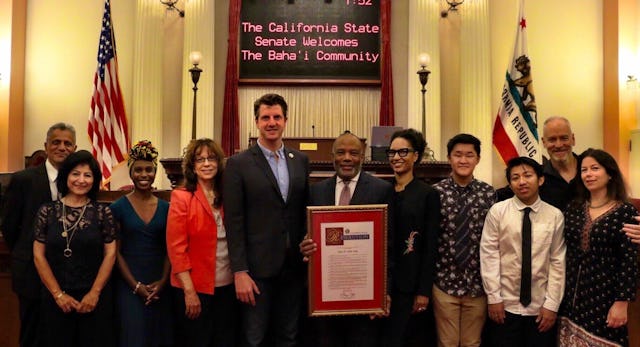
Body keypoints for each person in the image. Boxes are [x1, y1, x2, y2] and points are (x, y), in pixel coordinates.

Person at [223, 93, 310, 347]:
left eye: (277, 117)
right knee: (254, 338)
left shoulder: (300, 161)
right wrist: (240, 271)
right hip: (255, 271)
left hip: (293, 268)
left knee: (289, 336)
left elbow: (304, 211)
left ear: (285, 120)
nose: (271, 122)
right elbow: (234, 221)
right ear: (256, 121)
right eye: (265, 118)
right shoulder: (238, 164)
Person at [299, 131, 394, 347]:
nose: (347, 158)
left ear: (363, 157)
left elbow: (388, 246)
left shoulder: (382, 190)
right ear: (332, 156)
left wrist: (384, 291)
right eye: (341, 152)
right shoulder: (316, 192)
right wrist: (304, 246)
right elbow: (307, 236)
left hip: (365, 295)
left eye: (354, 153)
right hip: (326, 296)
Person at [1, 122, 77, 347]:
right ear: (46, 146)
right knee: (32, 335)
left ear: (74, 148)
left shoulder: (79, 182)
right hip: (30, 274)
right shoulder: (24, 179)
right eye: (56, 142)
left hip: (67, 274)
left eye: (67, 143)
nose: (61, 147)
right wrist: (27, 253)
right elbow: (9, 226)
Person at [32, 150, 117, 347]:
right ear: (66, 176)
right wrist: (58, 295)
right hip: (55, 299)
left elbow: (111, 254)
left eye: (87, 175)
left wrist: (94, 293)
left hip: (95, 299)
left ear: (94, 180)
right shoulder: (47, 211)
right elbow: (38, 255)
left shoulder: (103, 212)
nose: (81, 180)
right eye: (75, 174)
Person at [480, 156, 565, 347]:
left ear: (540, 180)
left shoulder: (555, 216)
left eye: (527, 175)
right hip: (504, 305)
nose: (522, 182)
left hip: (540, 308)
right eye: (515, 177)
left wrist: (552, 305)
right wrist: (493, 298)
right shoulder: (497, 212)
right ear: (510, 184)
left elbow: (557, 261)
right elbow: (489, 255)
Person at [558, 149, 638, 346]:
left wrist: (622, 302)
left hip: (606, 296)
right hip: (572, 296)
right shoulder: (574, 209)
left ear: (609, 174)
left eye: (595, 168)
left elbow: (629, 261)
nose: (588, 174)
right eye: (584, 170)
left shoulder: (625, 211)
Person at [166, 138, 239, 347]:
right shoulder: (181, 197)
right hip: (194, 289)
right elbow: (176, 249)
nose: (206, 164)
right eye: (200, 160)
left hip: (227, 288)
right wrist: (189, 292)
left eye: (211, 158)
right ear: (192, 166)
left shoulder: (228, 195)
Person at [432, 134, 496, 347]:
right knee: (447, 343)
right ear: (449, 158)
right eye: (458, 155)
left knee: (472, 343)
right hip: (444, 283)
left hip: (477, 285)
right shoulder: (436, 193)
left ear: (478, 159)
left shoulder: (488, 194)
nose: (463, 160)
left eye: (469, 155)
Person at [111, 140, 173, 347]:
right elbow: (115, 253)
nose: (144, 174)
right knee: (133, 337)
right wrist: (135, 286)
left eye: (148, 169)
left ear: (155, 172)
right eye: (138, 170)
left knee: (159, 337)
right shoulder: (117, 207)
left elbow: (170, 248)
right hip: (129, 283)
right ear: (131, 172)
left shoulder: (167, 208)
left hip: (160, 284)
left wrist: (163, 281)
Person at [382, 128, 440, 347]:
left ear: (416, 156)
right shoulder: (382, 191)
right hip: (383, 283)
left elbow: (430, 246)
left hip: (411, 284)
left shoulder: (428, 194)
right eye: (392, 152)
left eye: (403, 152)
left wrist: (423, 291)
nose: (396, 157)